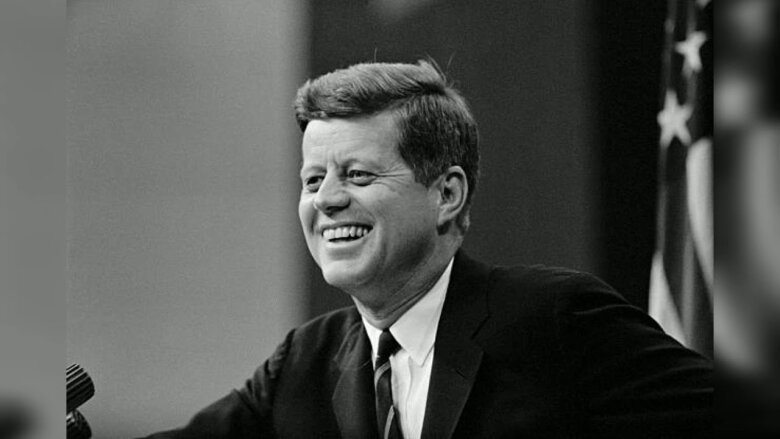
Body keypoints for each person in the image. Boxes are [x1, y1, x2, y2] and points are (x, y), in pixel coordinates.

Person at [141, 60, 712, 438]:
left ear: (446, 194)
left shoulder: (555, 321)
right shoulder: (303, 362)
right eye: (313, 180)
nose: (327, 200)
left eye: (358, 175)